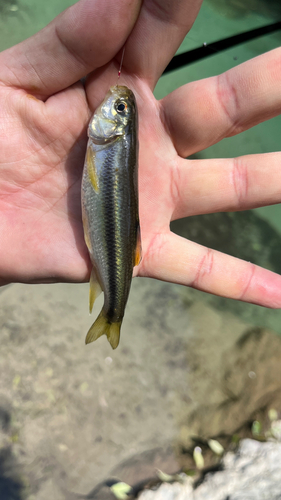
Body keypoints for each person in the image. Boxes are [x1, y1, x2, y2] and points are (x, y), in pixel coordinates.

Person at [0, 0, 280, 308]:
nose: (115, 103)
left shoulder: (109, 145)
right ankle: (112, 309)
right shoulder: (108, 144)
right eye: (121, 108)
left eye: (119, 109)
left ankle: (112, 312)